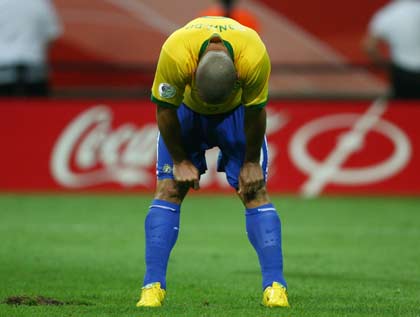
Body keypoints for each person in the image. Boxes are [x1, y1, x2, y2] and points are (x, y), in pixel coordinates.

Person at [136, 16, 289, 308]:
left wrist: (251, 162)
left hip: (237, 116)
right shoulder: (175, 53)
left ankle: (275, 287)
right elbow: (165, 110)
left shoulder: (254, 55)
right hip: (186, 112)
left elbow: (256, 112)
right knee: (168, 189)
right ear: (192, 74)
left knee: (254, 190)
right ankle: (152, 287)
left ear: (237, 80)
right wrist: (180, 160)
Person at [0, 0, 62, 97]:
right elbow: (52, 35)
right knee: (38, 110)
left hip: (3, 69)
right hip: (34, 67)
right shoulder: (41, 3)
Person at [363, 0, 420, 99]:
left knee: (406, 111)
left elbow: (369, 46)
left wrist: (383, 65)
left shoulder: (388, 14)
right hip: (402, 70)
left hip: (402, 72)